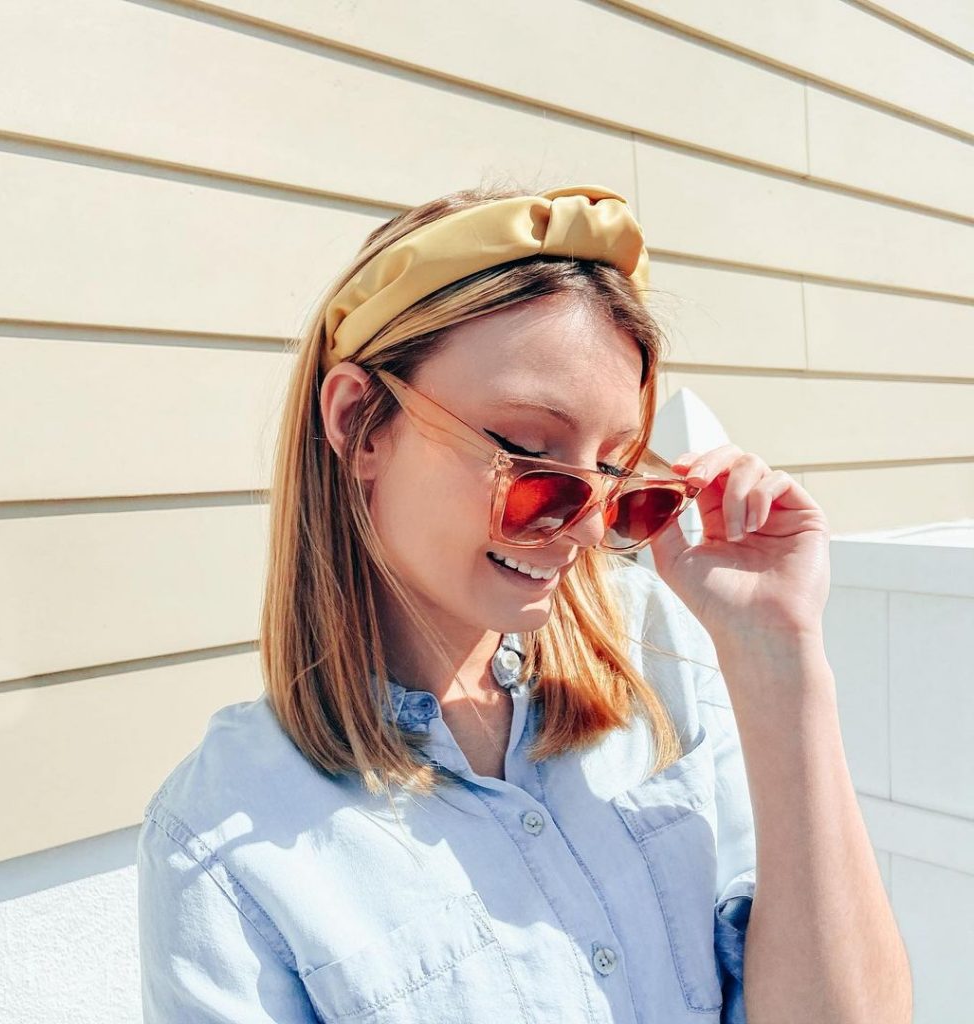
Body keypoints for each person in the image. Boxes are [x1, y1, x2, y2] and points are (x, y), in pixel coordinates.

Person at [136, 184, 909, 1022]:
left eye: (612, 473)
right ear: (360, 421)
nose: (578, 531)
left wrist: (781, 656)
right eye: (528, 456)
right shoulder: (223, 841)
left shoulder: (662, 667)